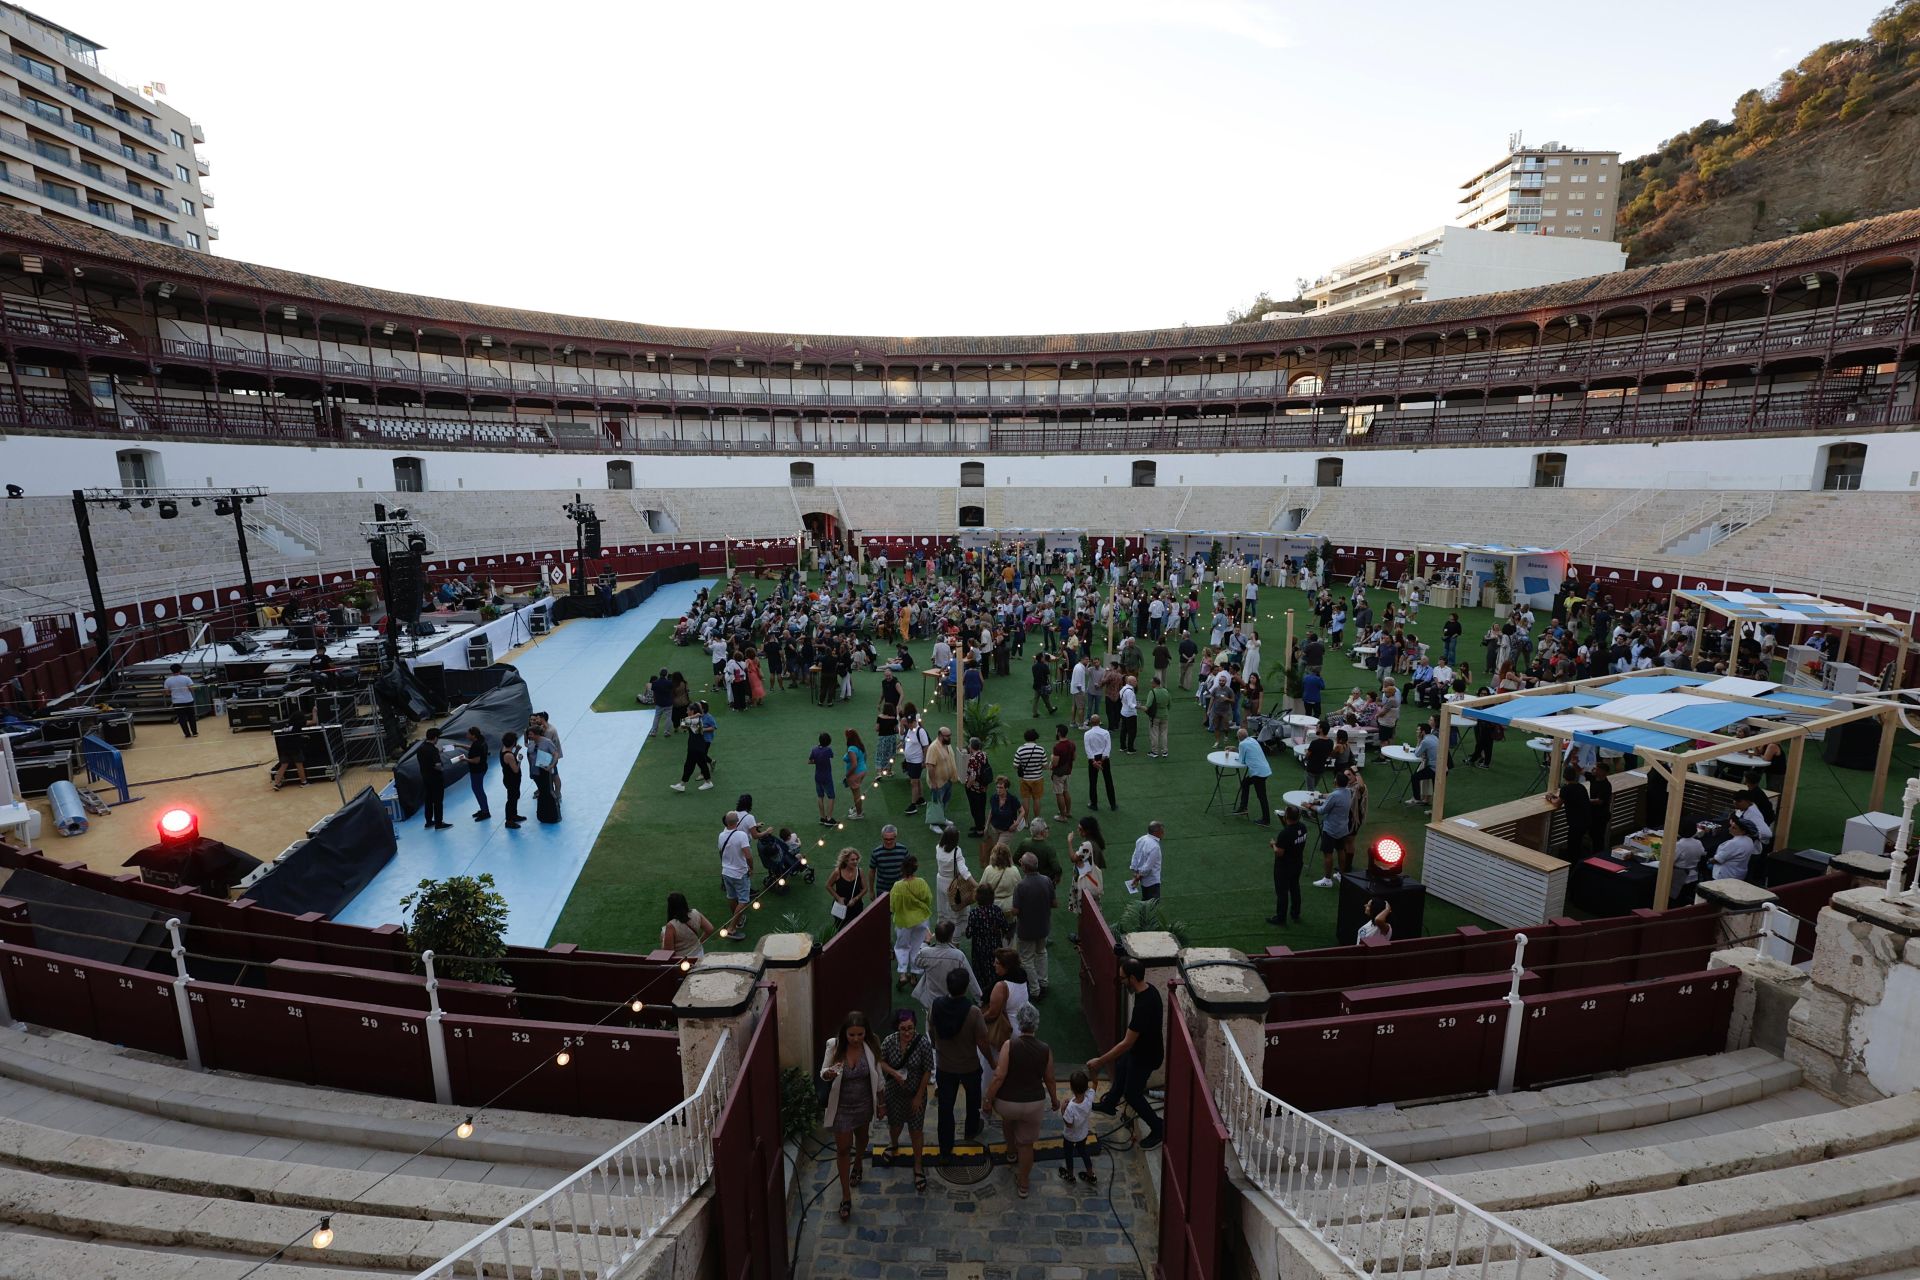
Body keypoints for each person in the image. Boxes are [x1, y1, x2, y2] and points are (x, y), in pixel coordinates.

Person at [1088, 957, 1165, 1149]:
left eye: (1122, 979)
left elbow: (1127, 1043)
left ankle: (1158, 1128)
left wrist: (1100, 1061)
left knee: (1133, 1095)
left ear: (1132, 978)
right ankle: (1110, 1103)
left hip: (1146, 1057)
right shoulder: (1150, 991)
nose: (1121, 983)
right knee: (1122, 1065)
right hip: (1143, 1051)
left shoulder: (1142, 1007)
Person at [984, 1002, 1057, 1199]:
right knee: (1026, 1145)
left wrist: (988, 1099)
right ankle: (1023, 1184)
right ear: (1036, 1024)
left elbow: (999, 1076)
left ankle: (1009, 1151)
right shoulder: (1045, 1049)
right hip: (1033, 1105)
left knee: (1008, 1120)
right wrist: (1055, 1100)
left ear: (1019, 1023)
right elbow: (1049, 1079)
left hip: (1007, 1103)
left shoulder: (1010, 1045)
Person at [820, 1011, 884, 1222]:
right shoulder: (835, 1046)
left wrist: (881, 1102)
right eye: (852, 1035)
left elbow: (878, 1074)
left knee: (862, 1138)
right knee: (843, 1148)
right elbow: (824, 1071)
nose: (856, 1039)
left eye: (860, 1034)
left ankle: (858, 1163)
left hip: (864, 1104)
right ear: (845, 1033)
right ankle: (846, 1196)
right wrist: (829, 1074)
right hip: (842, 1107)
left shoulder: (872, 1044)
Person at [930, 967, 992, 1158]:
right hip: (969, 1065)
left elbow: (932, 1032)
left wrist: (938, 1047)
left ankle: (945, 1150)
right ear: (965, 988)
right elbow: (982, 1041)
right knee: (973, 1102)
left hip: (945, 1066)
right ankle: (971, 1130)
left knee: (945, 1109)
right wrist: (991, 1060)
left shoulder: (936, 1005)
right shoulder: (973, 1012)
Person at [878, 1007, 935, 1193]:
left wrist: (919, 1095)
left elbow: (927, 1070)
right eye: (903, 1029)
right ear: (898, 1028)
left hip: (915, 1092)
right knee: (894, 1124)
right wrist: (894, 1073)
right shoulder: (889, 1041)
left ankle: (918, 1165)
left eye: (910, 1028)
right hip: (894, 1091)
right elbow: (882, 1061)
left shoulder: (923, 1044)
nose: (907, 1032)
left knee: (916, 1130)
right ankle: (893, 1144)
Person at [1010, 852, 1054, 999]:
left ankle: (1035, 990)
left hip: (1026, 930)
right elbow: (1054, 903)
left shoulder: (1021, 886)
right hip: (1043, 927)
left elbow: (1015, 911)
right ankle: (1044, 982)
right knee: (1042, 953)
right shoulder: (1047, 880)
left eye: (1021, 862)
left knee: (1027, 959)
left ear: (1024, 867)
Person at [912, 918, 980, 1009]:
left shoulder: (925, 953)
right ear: (951, 936)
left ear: (935, 935)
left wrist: (926, 942)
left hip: (931, 1003)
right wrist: (980, 999)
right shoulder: (958, 955)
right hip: (951, 1002)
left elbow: (916, 961)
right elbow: (970, 979)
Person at [889, 855, 935, 989]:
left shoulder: (897, 886)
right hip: (920, 919)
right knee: (917, 946)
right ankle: (914, 976)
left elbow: (892, 906)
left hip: (903, 921)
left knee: (902, 947)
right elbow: (928, 899)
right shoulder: (921, 882)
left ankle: (903, 974)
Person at [963, 887, 1011, 993]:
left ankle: (983, 995)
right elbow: (1006, 928)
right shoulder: (997, 910)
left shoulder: (974, 913)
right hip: (995, 947)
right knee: (995, 971)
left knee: (980, 973)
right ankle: (996, 992)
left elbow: (968, 934)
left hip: (979, 949)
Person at [1311, 774, 1355, 887]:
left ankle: (1327, 879)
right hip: (1343, 828)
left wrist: (1310, 806)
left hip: (1331, 829)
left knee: (1328, 853)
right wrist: (1321, 797)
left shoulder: (1335, 795)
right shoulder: (1348, 792)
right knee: (1341, 850)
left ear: (1336, 782)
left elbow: (1322, 810)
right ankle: (1341, 874)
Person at [717, 811, 754, 936]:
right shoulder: (741, 835)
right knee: (743, 900)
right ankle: (732, 927)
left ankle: (737, 919)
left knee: (731, 896)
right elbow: (748, 855)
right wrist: (751, 868)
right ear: (737, 822)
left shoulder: (721, 835)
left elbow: (720, 852)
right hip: (740, 872)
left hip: (726, 872)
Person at [1269, 807, 1308, 925]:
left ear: (1286, 816)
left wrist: (1273, 845)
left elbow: (1279, 852)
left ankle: (1281, 918)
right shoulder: (1303, 827)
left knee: (1282, 892)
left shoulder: (1284, 834)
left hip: (1284, 867)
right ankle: (1295, 912)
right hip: (1297, 863)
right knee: (1295, 887)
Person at [1059, 1068, 1097, 1186]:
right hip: (1082, 1134)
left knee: (1069, 1155)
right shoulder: (1089, 1098)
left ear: (1071, 1088)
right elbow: (1095, 1084)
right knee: (1084, 1153)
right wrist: (1093, 1071)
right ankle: (1091, 1175)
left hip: (1070, 1137)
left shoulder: (1070, 1107)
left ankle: (1070, 1175)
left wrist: (1062, 1110)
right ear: (1086, 1087)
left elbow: (1069, 1124)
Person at [670, 701, 717, 792]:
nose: (687, 712)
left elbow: (682, 725)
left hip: (696, 746)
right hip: (695, 745)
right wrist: (693, 716)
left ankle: (707, 782)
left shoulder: (695, 720)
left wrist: (692, 716)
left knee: (699, 764)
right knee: (690, 765)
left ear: (692, 711)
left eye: (688, 710)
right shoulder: (696, 719)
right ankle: (682, 784)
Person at [933, 823, 973, 927]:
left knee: (944, 907)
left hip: (940, 881)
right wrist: (975, 884)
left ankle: (944, 929)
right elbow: (964, 871)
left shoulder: (938, 847)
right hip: (953, 882)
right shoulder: (956, 851)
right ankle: (954, 934)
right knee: (955, 907)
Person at [1231, 727, 1272, 824]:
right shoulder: (1253, 740)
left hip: (1258, 773)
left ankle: (1266, 820)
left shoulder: (1242, 744)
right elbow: (1248, 753)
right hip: (1264, 770)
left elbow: (1241, 760)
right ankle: (1243, 807)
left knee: (1262, 796)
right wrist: (1237, 749)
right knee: (1245, 783)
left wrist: (1236, 751)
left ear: (1239, 737)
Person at [270, 704, 314, 792]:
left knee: (283, 765)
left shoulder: (286, 725)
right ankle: (304, 782)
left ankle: (277, 783)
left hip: (284, 749)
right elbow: (314, 721)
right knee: (299, 765)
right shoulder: (299, 723)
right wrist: (314, 712)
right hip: (295, 749)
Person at [661, 891, 716, 960]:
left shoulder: (671, 926)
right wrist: (699, 942)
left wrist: (663, 938)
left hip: (681, 960)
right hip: (699, 954)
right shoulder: (695, 913)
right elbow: (710, 929)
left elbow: (668, 952)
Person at [924, 725, 958, 829]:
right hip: (938, 783)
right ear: (940, 735)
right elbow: (930, 766)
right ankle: (933, 824)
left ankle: (941, 819)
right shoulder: (933, 747)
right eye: (947, 736)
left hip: (948, 781)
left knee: (944, 802)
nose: (949, 738)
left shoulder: (947, 745)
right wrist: (934, 783)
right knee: (937, 803)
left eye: (950, 735)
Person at [526, 725, 561, 825]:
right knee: (542, 792)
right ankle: (543, 815)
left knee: (548, 792)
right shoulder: (531, 744)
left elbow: (555, 754)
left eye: (530, 734)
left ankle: (553, 815)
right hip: (536, 772)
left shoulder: (547, 742)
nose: (529, 736)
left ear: (536, 734)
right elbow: (530, 757)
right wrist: (531, 772)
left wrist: (551, 765)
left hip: (545, 772)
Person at [1013, 728, 1048, 822]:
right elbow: (1045, 766)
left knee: (1025, 799)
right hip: (1038, 778)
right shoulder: (1040, 749)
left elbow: (1015, 765)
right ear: (1035, 738)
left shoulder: (1020, 750)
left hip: (1025, 778)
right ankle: (1036, 821)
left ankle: (1025, 821)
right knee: (1036, 799)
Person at [867, 825, 910, 902]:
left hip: (900, 888)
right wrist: (871, 891)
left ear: (895, 837)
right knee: (884, 913)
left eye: (891, 839)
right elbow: (872, 871)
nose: (888, 841)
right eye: (886, 839)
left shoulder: (903, 850)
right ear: (882, 837)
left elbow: (908, 868)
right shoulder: (876, 852)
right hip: (882, 890)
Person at [828, 848, 866, 931]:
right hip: (841, 906)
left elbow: (865, 889)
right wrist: (838, 898)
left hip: (856, 906)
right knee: (840, 929)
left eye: (857, 859)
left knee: (856, 928)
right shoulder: (838, 872)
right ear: (846, 861)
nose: (855, 861)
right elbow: (828, 885)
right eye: (852, 860)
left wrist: (855, 899)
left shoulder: (860, 872)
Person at [900, 712, 931, 815]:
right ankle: (920, 799)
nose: (908, 725)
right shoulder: (909, 730)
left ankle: (913, 805)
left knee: (913, 782)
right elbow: (907, 740)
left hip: (917, 762)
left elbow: (926, 747)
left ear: (915, 722)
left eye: (910, 723)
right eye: (907, 723)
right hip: (910, 761)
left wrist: (924, 761)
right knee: (916, 781)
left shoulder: (921, 731)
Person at [1084, 715, 1116, 811]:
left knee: (1093, 782)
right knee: (1108, 781)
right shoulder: (1105, 733)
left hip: (1093, 759)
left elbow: (1088, 748)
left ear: (1091, 722)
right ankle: (1113, 804)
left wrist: (1093, 761)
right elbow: (1108, 747)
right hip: (1104, 758)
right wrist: (1101, 760)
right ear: (1099, 722)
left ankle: (1094, 804)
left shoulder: (1087, 734)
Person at [1129, 820, 1165, 901]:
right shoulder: (1155, 847)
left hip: (1143, 880)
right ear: (1156, 832)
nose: (1163, 833)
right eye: (1162, 831)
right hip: (1152, 881)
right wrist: (1138, 877)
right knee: (1151, 904)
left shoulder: (1141, 839)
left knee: (1145, 900)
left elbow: (1135, 856)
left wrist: (1135, 872)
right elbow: (1148, 867)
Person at [809, 732, 837, 827]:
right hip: (827, 777)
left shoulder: (814, 749)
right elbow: (832, 756)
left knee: (820, 796)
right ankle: (829, 818)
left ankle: (822, 817)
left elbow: (810, 761)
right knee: (831, 797)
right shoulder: (828, 750)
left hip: (817, 776)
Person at [1409, 721, 1439, 808]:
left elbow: (1417, 753)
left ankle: (1417, 798)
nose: (1416, 732)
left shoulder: (1425, 741)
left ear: (1423, 732)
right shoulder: (1434, 737)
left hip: (1434, 768)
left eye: (1418, 730)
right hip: (1440, 767)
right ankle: (1428, 802)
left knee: (1415, 777)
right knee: (1435, 788)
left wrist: (1418, 739)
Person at [163, 663, 199, 738]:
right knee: (191, 717)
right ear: (180, 670)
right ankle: (194, 732)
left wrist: (172, 692)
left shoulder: (168, 680)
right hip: (188, 700)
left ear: (171, 671)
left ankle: (187, 734)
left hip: (177, 702)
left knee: (182, 718)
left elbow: (167, 693)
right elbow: (191, 689)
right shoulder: (186, 678)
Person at [1050, 723, 1077, 821]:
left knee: (1059, 794)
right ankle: (1068, 812)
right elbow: (1074, 757)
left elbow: (1055, 763)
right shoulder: (1072, 744)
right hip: (1068, 771)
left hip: (1058, 773)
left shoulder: (1057, 747)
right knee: (1066, 791)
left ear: (1059, 733)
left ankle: (1062, 816)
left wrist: (1052, 759)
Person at [498, 731, 525, 830]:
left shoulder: (503, 750)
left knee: (514, 797)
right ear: (513, 742)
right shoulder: (508, 755)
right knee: (512, 799)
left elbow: (510, 759)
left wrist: (516, 751)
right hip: (512, 779)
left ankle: (514, 815)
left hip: (508, 778)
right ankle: (509, 820)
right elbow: (515, 769)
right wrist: (520, 760)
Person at [464, 726, 491, 820]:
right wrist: (459, 745)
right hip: (482, 768)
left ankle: (485, 812)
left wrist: (464, 759)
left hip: (477, 771)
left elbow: (476, 761)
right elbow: (472, 749)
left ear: (473, 735)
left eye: (468, 734)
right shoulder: (480, 742)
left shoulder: (476, 745)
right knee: (478, 790)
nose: (466, 735)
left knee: (478, 791)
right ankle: (483, 809)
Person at [1588, 761, 1614, 854]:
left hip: (1600, 816)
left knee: (1598, 837)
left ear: (1603, 772)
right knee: (1593, 835)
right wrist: (1575, 763)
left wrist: (1586, 800)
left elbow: (1599, 801)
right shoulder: (1594, 778)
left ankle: (1598, 855)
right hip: (1593, 814)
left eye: (1596, 769)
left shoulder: (1606, 785)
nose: (1593, 770)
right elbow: (1580, 771)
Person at [1143, 675, 1172, 759]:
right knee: (1164, 734)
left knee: (1154, 734)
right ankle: (1165, 751)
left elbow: (1147, 705)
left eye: (1151, 683)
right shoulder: (1166, 691)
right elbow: (1170, 705)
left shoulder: (1152, 692)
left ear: (1154, 683)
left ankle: (1154, 752)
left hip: (1155, 716)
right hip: (1165, 715)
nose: (1151, 684)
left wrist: (1139, 707)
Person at [843, 729, 868, 821]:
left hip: (855, 774)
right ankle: (859, 810)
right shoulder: (860, 746)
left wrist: (847, 775)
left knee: (856, 795)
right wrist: (863, 767)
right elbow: (865, 757)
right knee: (857, 793)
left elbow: (854, 764)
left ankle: (859, 813)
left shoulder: (851, 749)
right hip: (862, 771)